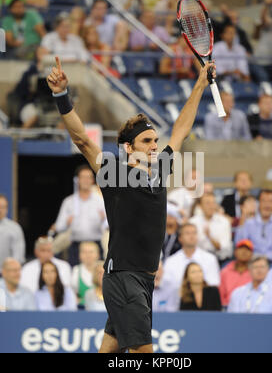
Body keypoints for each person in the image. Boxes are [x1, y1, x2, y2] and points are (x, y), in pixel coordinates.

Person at [47, 56, 216, 353]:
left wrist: (200, 84)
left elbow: (180, 130)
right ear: (129, 148)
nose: (154, 146)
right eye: (147, 141)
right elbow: (83, 141)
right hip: (124, 279)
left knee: (110, 353)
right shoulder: (113, 174)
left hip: (143, 282)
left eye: (154, 140)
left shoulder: (160, 168)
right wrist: (61, 95)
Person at [160, 223, 220, 312]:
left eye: (194, 233)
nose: (191, 236)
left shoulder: (210, 259)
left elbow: (213, 283)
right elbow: (167, 287)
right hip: (178, 306)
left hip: (207, 306)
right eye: (187, 233)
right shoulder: (171, 261)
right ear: (180, 238)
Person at [55, 165, 106, 267]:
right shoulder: (69, 202)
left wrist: (104, 220)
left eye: (89, 177)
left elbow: (109, 226)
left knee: (97, 278)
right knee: (74, 276)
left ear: (92, 180)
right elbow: (58, 227)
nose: (86, 180)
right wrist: (67, 222)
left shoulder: (100, 201)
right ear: (77, 180)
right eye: (83, 177)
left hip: (95, 245)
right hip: (75, 247)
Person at [235, 190, 272, 265]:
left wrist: (260, 260)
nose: (267, 205)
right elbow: (239, 244)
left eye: (271, 202)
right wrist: (243, 217)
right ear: (258, 204)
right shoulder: (248, 223)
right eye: (264, 201)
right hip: (251, 262)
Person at [190, 194, 233, 263]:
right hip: (198, 260)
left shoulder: (224, 221)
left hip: (220, 259)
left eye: (213, 203)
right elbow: (191, 245)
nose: (211, 206)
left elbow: (223, 247)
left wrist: (209, 237)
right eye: (207, 203)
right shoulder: (193, 222)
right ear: (200, 206)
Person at [219, 240, 253, 307]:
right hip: (227, 308)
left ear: (251, 254)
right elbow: (220, 295)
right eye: (241, 249)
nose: (244, 252)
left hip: (250, 309)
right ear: (235, 252)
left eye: (247, 249)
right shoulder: (225, 272)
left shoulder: (255, 272)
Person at [0, 194, 25, 274]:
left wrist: (10, 272)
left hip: (6, 275)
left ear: (7, 209)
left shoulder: (15, 228)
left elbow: (18, 256)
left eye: (3, 207)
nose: (0, 210)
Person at [71, 242, 100, 308]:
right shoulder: (76, 270)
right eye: (84, 252)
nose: (88, 255)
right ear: (79, 255)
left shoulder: (103, 269)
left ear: (98, 254)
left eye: (91, 252)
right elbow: (73, 293)